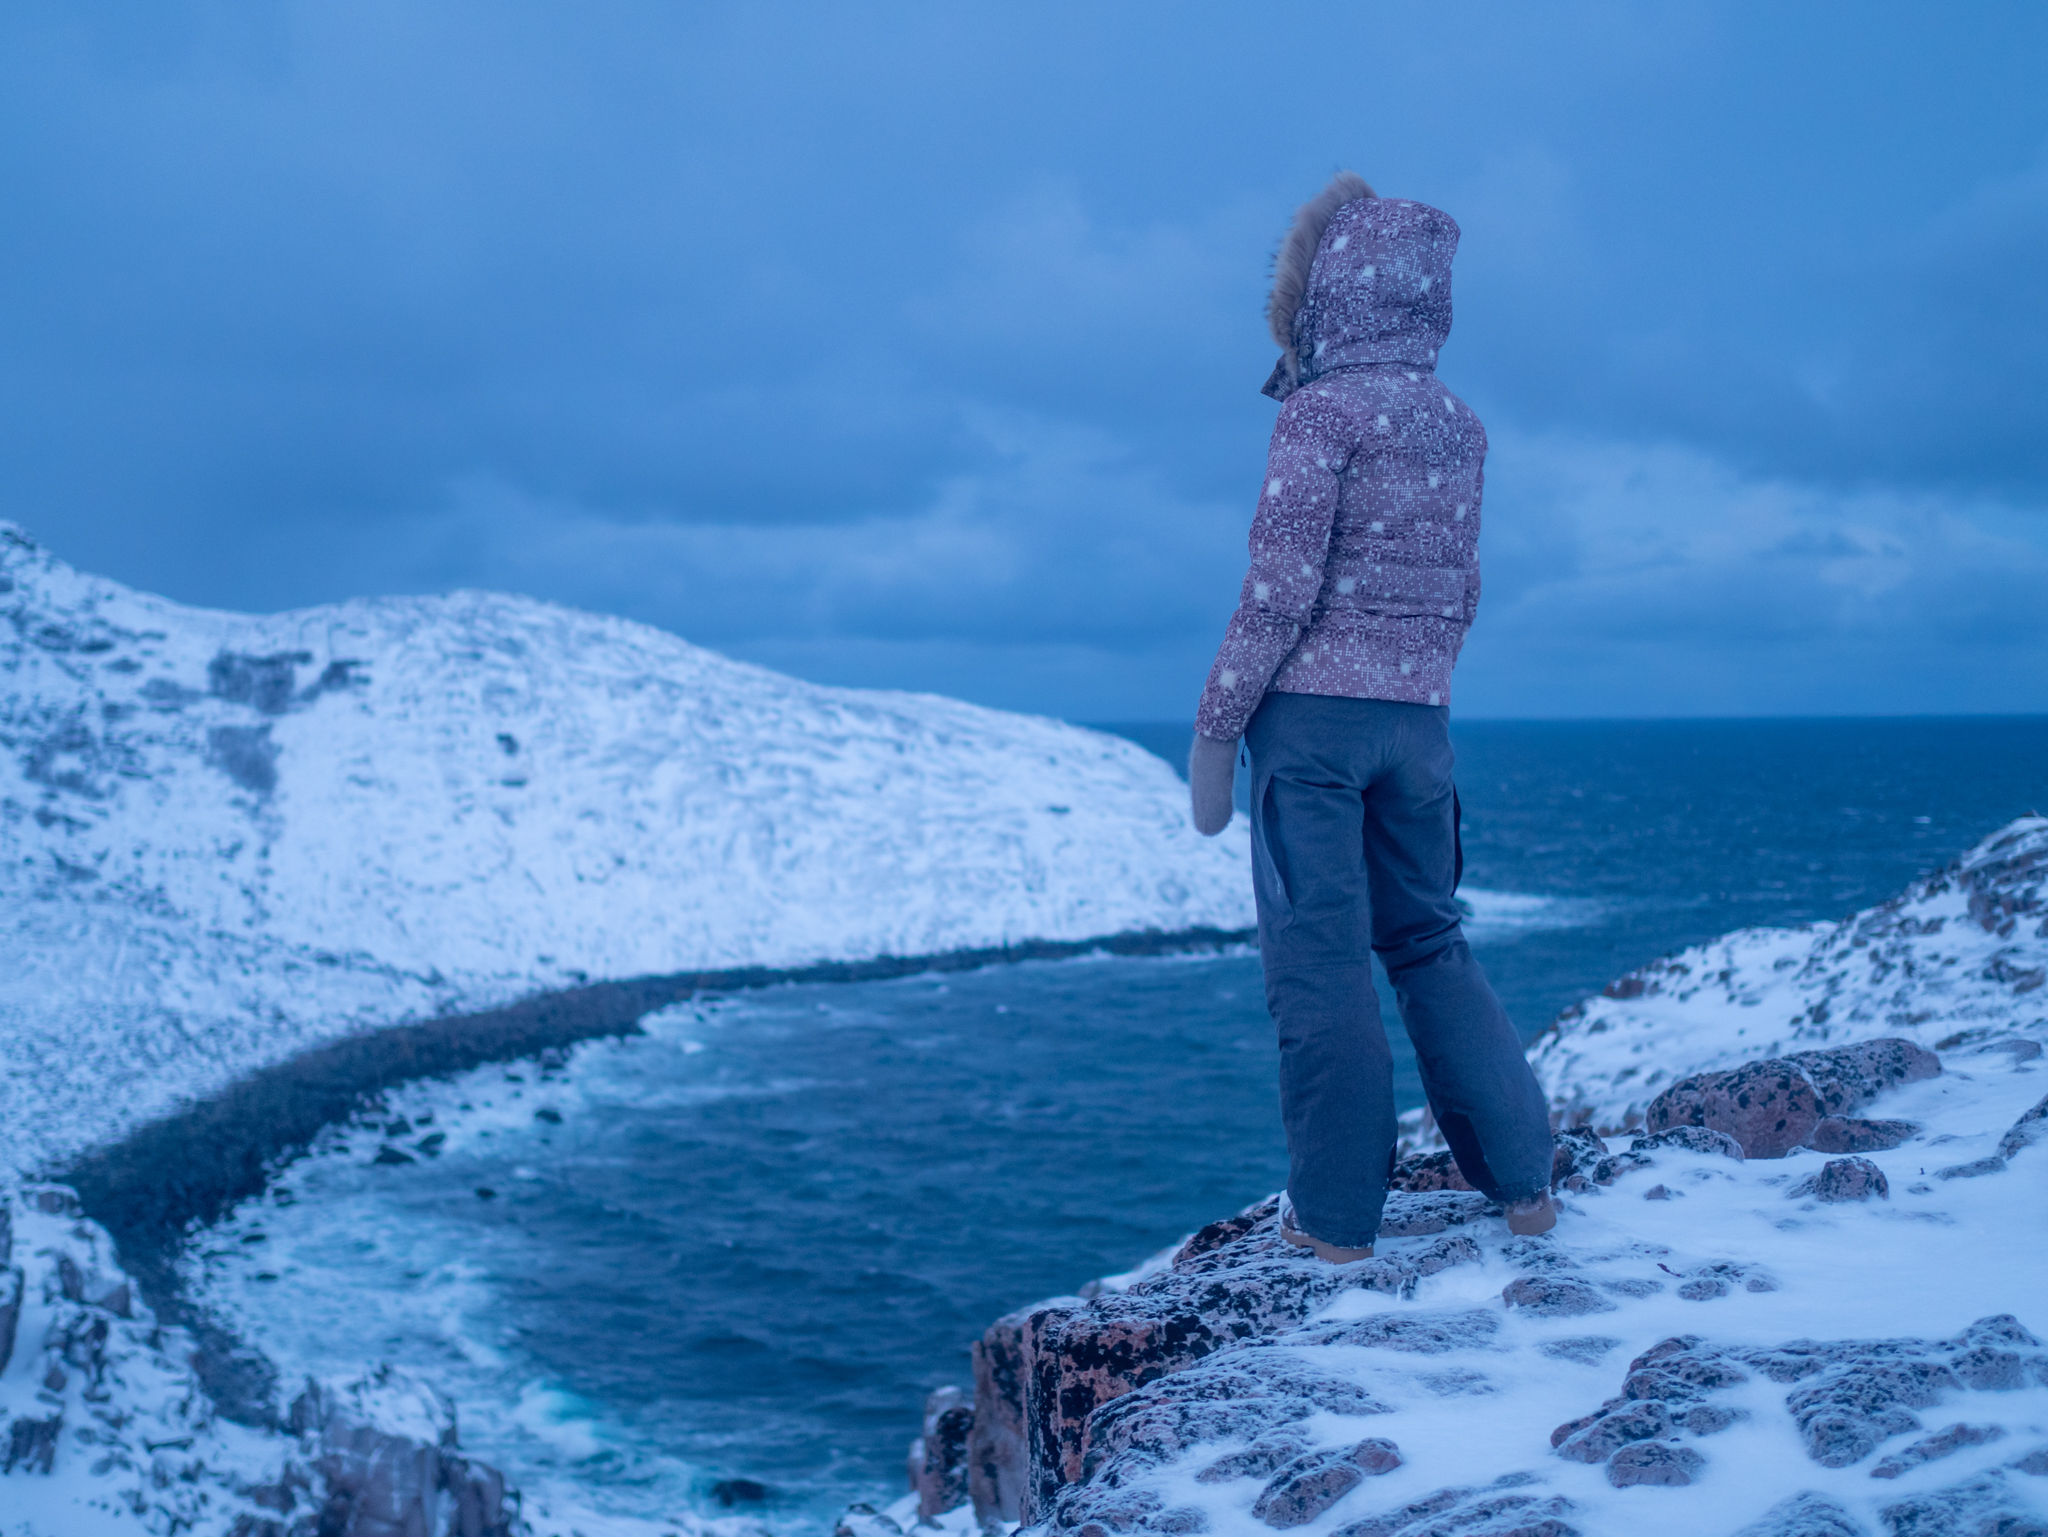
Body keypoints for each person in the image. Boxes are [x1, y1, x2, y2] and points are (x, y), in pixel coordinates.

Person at [1189, 172, 1557, 1263]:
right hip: (1420, 726)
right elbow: (1466, 588)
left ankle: (1337, 1221)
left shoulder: (1320, 412)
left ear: (1326, 297)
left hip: (1309, 729)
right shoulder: (1459, 423)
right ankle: (1524, 1182)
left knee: (1320, 966)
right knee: (1430, 943)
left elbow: (1277, 590)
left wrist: (1216, 729)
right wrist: (1418, 681)